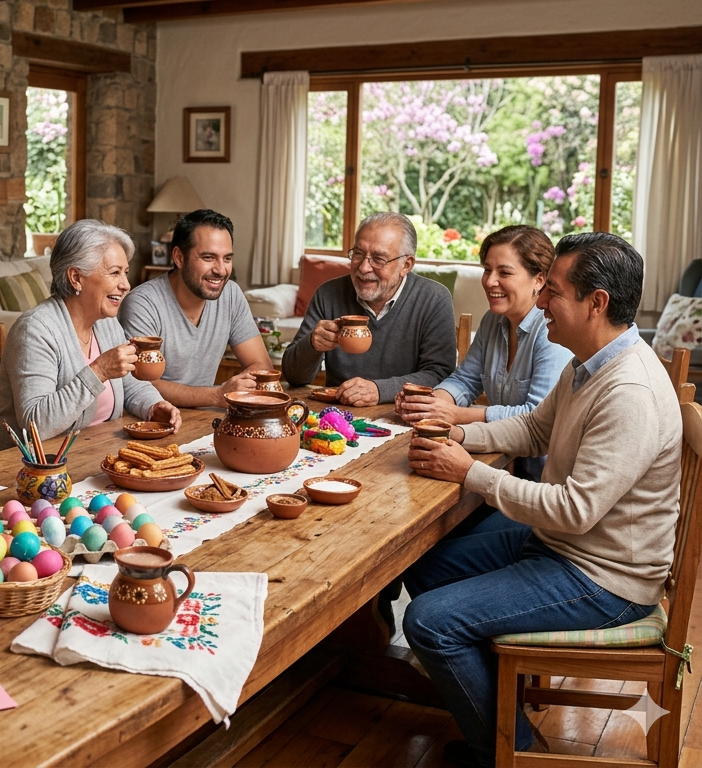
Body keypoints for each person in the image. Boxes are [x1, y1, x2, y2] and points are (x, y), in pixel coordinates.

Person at [402, 232, 680, 768]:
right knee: (427, 565)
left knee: (429, 621)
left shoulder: (630, 392)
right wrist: (461, 438)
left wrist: (471, 475)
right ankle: (495, 706)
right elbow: (533, 429)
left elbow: (575, 509)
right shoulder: (588, 362)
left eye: (553, 291)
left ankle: (510, 751)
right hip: (566, 548)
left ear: (596, 303)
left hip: (605, 578)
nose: (543, 302)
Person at [0, 219, 182, 456]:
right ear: (76, 278)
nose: (126, 284)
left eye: (125, 273)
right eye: (114, 273)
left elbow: (129, 385)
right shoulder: (36, 330)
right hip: (17, 468)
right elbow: (36, 426)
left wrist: (154, 406)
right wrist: (99, 371)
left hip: (87, 455)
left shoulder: (107, 323)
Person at [397, 225, 572, 482]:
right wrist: (431, 403)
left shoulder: (551, 330)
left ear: (539, 279)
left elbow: (537, 417)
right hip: (499, 466)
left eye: (504, 272)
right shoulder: (493, 319)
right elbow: (465, 380)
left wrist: (458, 415)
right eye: (487, 270)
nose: (490, 281)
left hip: (538, 483)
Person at [280, 211, 457, 405]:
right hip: (337, 418)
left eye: (379, 259)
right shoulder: (328, 293)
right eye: (358, 254)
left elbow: (439, 376)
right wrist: (312, 345)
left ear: (406, 265)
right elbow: (294, 377)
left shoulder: (433, 298)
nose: (364, 268)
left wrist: (379, 391)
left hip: (404, 415)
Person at [119, 209, 272, 407]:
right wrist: (217, 395)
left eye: (227, 258)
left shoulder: (231, 294)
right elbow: (139, 385)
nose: (220, 270)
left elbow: (262, 365)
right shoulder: (143, 304)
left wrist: (238, 387)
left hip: (205, 419)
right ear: (179, 258)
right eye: (208, 258)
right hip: (154, 422)